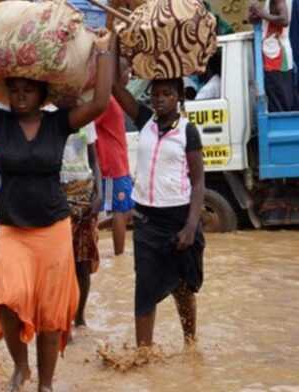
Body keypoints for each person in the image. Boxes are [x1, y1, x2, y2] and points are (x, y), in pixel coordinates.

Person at [0, 29, 115, 391]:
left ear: (42, 93)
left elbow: (100, 102)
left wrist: (103, 53)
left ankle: (46, 384)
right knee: (5, 295)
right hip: (12, 228)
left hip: (53, 229)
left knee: (52, 315)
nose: (20, 96)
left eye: (28, 90)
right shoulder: (0, 123)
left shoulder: (59, 123)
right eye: (15, 90)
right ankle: (21, 368)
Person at [112, 58, 206, 348]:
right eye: (155, 93)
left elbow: (199, 181)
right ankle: (144, 353)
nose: (159, 99)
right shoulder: (145, 121)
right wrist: (114, 48)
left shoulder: (188, 132)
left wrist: (191, 226)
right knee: (145, 288)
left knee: (182, 286)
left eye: (167, 94)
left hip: (178, 219)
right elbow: (115, 88)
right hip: (146, 220)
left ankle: (190, 344)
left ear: (179, 97)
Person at [59, 120, 101, 328]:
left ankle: (80, 317)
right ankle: (64, 319)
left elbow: (94, 160)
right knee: (61, 263)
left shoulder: (87, 120)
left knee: (83, 262)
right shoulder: (47, 117)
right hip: (58, 195)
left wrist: (100, 193)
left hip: (86, 194)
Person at [95, 93, 133, 257]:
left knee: (127, 210)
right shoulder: (106, 101)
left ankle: (94, 229)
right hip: (112, 165)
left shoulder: (110, 99)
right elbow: (88, 124)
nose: (127, 75)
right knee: (119, 210)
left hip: (119, 163)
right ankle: (119, 255)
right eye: (124, 71)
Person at [250, 0, 296, 112]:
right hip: (272, 57)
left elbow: (284, 20)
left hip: (277, 59)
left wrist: (262, 14)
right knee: (277, 99)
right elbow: (255, 20)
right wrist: (254, 12)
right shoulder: (267, 2)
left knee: (281, 102)